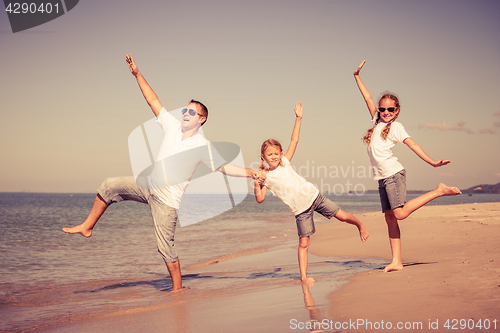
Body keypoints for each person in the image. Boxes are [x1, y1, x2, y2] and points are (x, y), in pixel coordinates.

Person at [63, 54, 257, 291]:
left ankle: (177, 290)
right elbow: (152, 99)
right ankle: (87, 226)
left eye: (192, 112)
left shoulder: (202, 147)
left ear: (202, 119)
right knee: (108, 185)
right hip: (147, 185)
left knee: (165, 246)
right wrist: (136, 73)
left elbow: (226, 168)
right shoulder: (172, 126)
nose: (185, 113)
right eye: (185, 109)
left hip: (167, 201)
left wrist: (251, 173)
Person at [353, 60, 462, 272]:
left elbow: (412, 144)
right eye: (382, 108)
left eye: (390, 109)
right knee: (390, 219)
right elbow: (367, 97)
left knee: (400, 214)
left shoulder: (397, 127)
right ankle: (397, 261)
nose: (385, 112)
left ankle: (438, 191)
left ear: (397, 110)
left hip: (393, 174)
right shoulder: (377, 122)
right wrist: (356, 76)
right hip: (382, 178)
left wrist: (432, 162)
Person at [254, 102, 369, 284]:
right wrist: (257, 184)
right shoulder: (264, 176)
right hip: (300, 210)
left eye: (276, 153)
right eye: (270, 155)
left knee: (342, 216)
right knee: (304, 243)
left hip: (314, 197)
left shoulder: (285, 162)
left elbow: (294, 140)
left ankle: (359, 224)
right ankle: (304, 277)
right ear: (263, 157)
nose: (274, 157)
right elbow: (259, 199)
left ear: (281, 153)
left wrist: (298, 118)